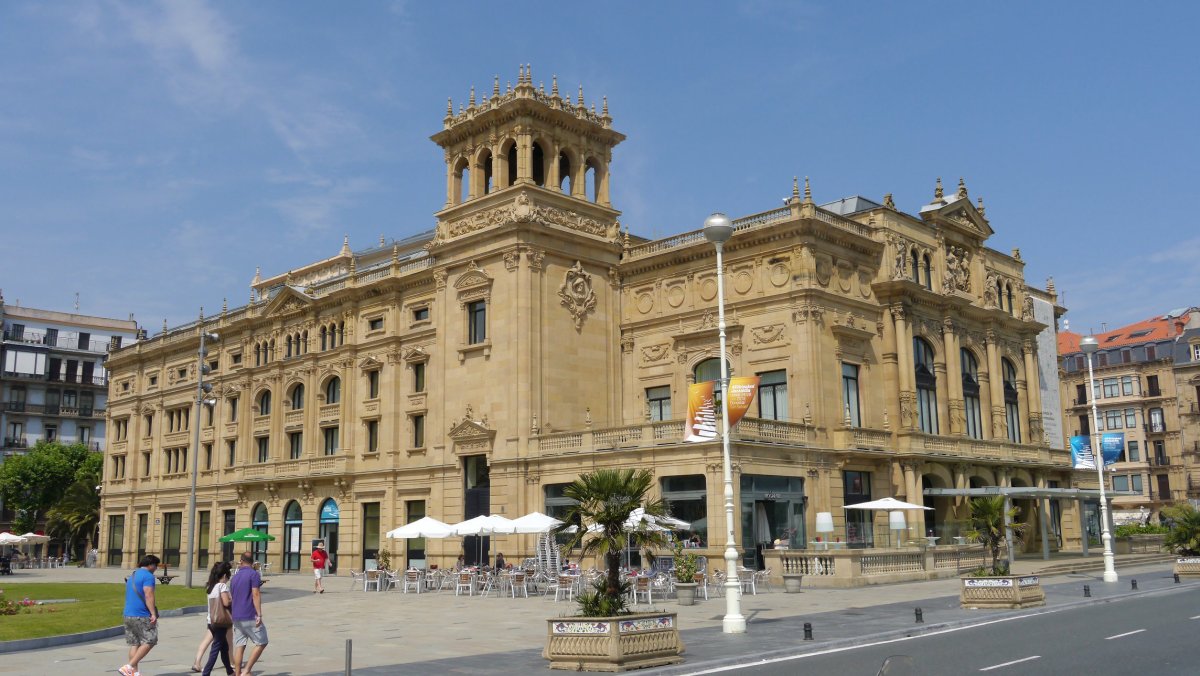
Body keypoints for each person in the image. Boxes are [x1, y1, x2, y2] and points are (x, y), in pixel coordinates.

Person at [120, 554, 160, 676]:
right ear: (150, 565)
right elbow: (148, 594)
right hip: (141, 614)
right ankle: (129, 666)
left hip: (128, 614)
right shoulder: (148, 576)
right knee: (151, 640)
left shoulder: (133, 574)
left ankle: (134, 672)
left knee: (135, 643)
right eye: (156, 565)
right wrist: (153, 613)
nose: (156, 568)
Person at [230, 551, 268, 676]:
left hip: (236, 616)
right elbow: (255, 594)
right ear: (252, 562)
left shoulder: (234, 577)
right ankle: (246, 671)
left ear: (241, 561)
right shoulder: (253, 574)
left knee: (239, 645)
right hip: (249, 614)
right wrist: (259, 614)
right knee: (262, 642)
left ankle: (237, 673)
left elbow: (233, 596)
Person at [201, 561, 235, 676]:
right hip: (221, 621)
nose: (228, 579)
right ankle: (206, 672)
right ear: (225, 576)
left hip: (212, 620)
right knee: (215, 648)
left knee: (224, 647)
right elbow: (226, 603)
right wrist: (232, 599)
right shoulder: (222, 586)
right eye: (228, 576)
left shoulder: (211, 586)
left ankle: (230, 671)